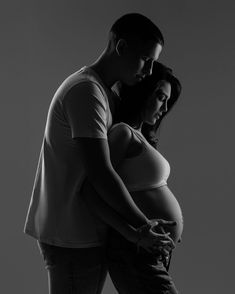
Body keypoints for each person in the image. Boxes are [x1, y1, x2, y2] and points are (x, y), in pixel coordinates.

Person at [24, 13, 175, 294]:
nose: (150, 70)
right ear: (121, 47)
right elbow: (100, 173)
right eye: (146, 59)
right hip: (71, 234)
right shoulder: (86, 91)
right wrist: (143, 226)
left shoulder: (103, 92)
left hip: (85, 232)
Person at [82, 61, 183, 294]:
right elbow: (90, 191)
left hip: (149, 251)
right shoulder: (123, 133)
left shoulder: (140, 136)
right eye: (159, 96)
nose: (164, 106)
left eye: (167, 100)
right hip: (133, 250)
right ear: (142, 92)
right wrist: (134, 234)